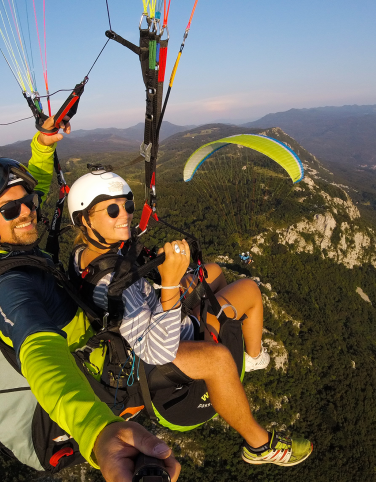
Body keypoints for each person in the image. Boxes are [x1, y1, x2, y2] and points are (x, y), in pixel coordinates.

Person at [0, 117, 180, 482]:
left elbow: (36, 187)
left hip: (93, 339)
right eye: (11, 211)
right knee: (213, 356)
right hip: (99, 370)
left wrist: (44, 145)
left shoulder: (2, 247)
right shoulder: (9, 286)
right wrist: (96, 429)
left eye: (26, 203)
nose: (27, 212)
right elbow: (43, 359)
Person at [66, 169, 314, 467]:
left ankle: (245, 351)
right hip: (157, 348)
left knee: (214, 273)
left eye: (127, 206)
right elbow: (156, 351)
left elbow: (129, 303)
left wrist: (162, 276)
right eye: (113, 209)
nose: (126, 215)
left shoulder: (86, 254)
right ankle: (259, 444)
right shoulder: (114, 283)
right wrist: (170, 284)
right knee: (246, 296)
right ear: (84, 219)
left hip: (148, 318)